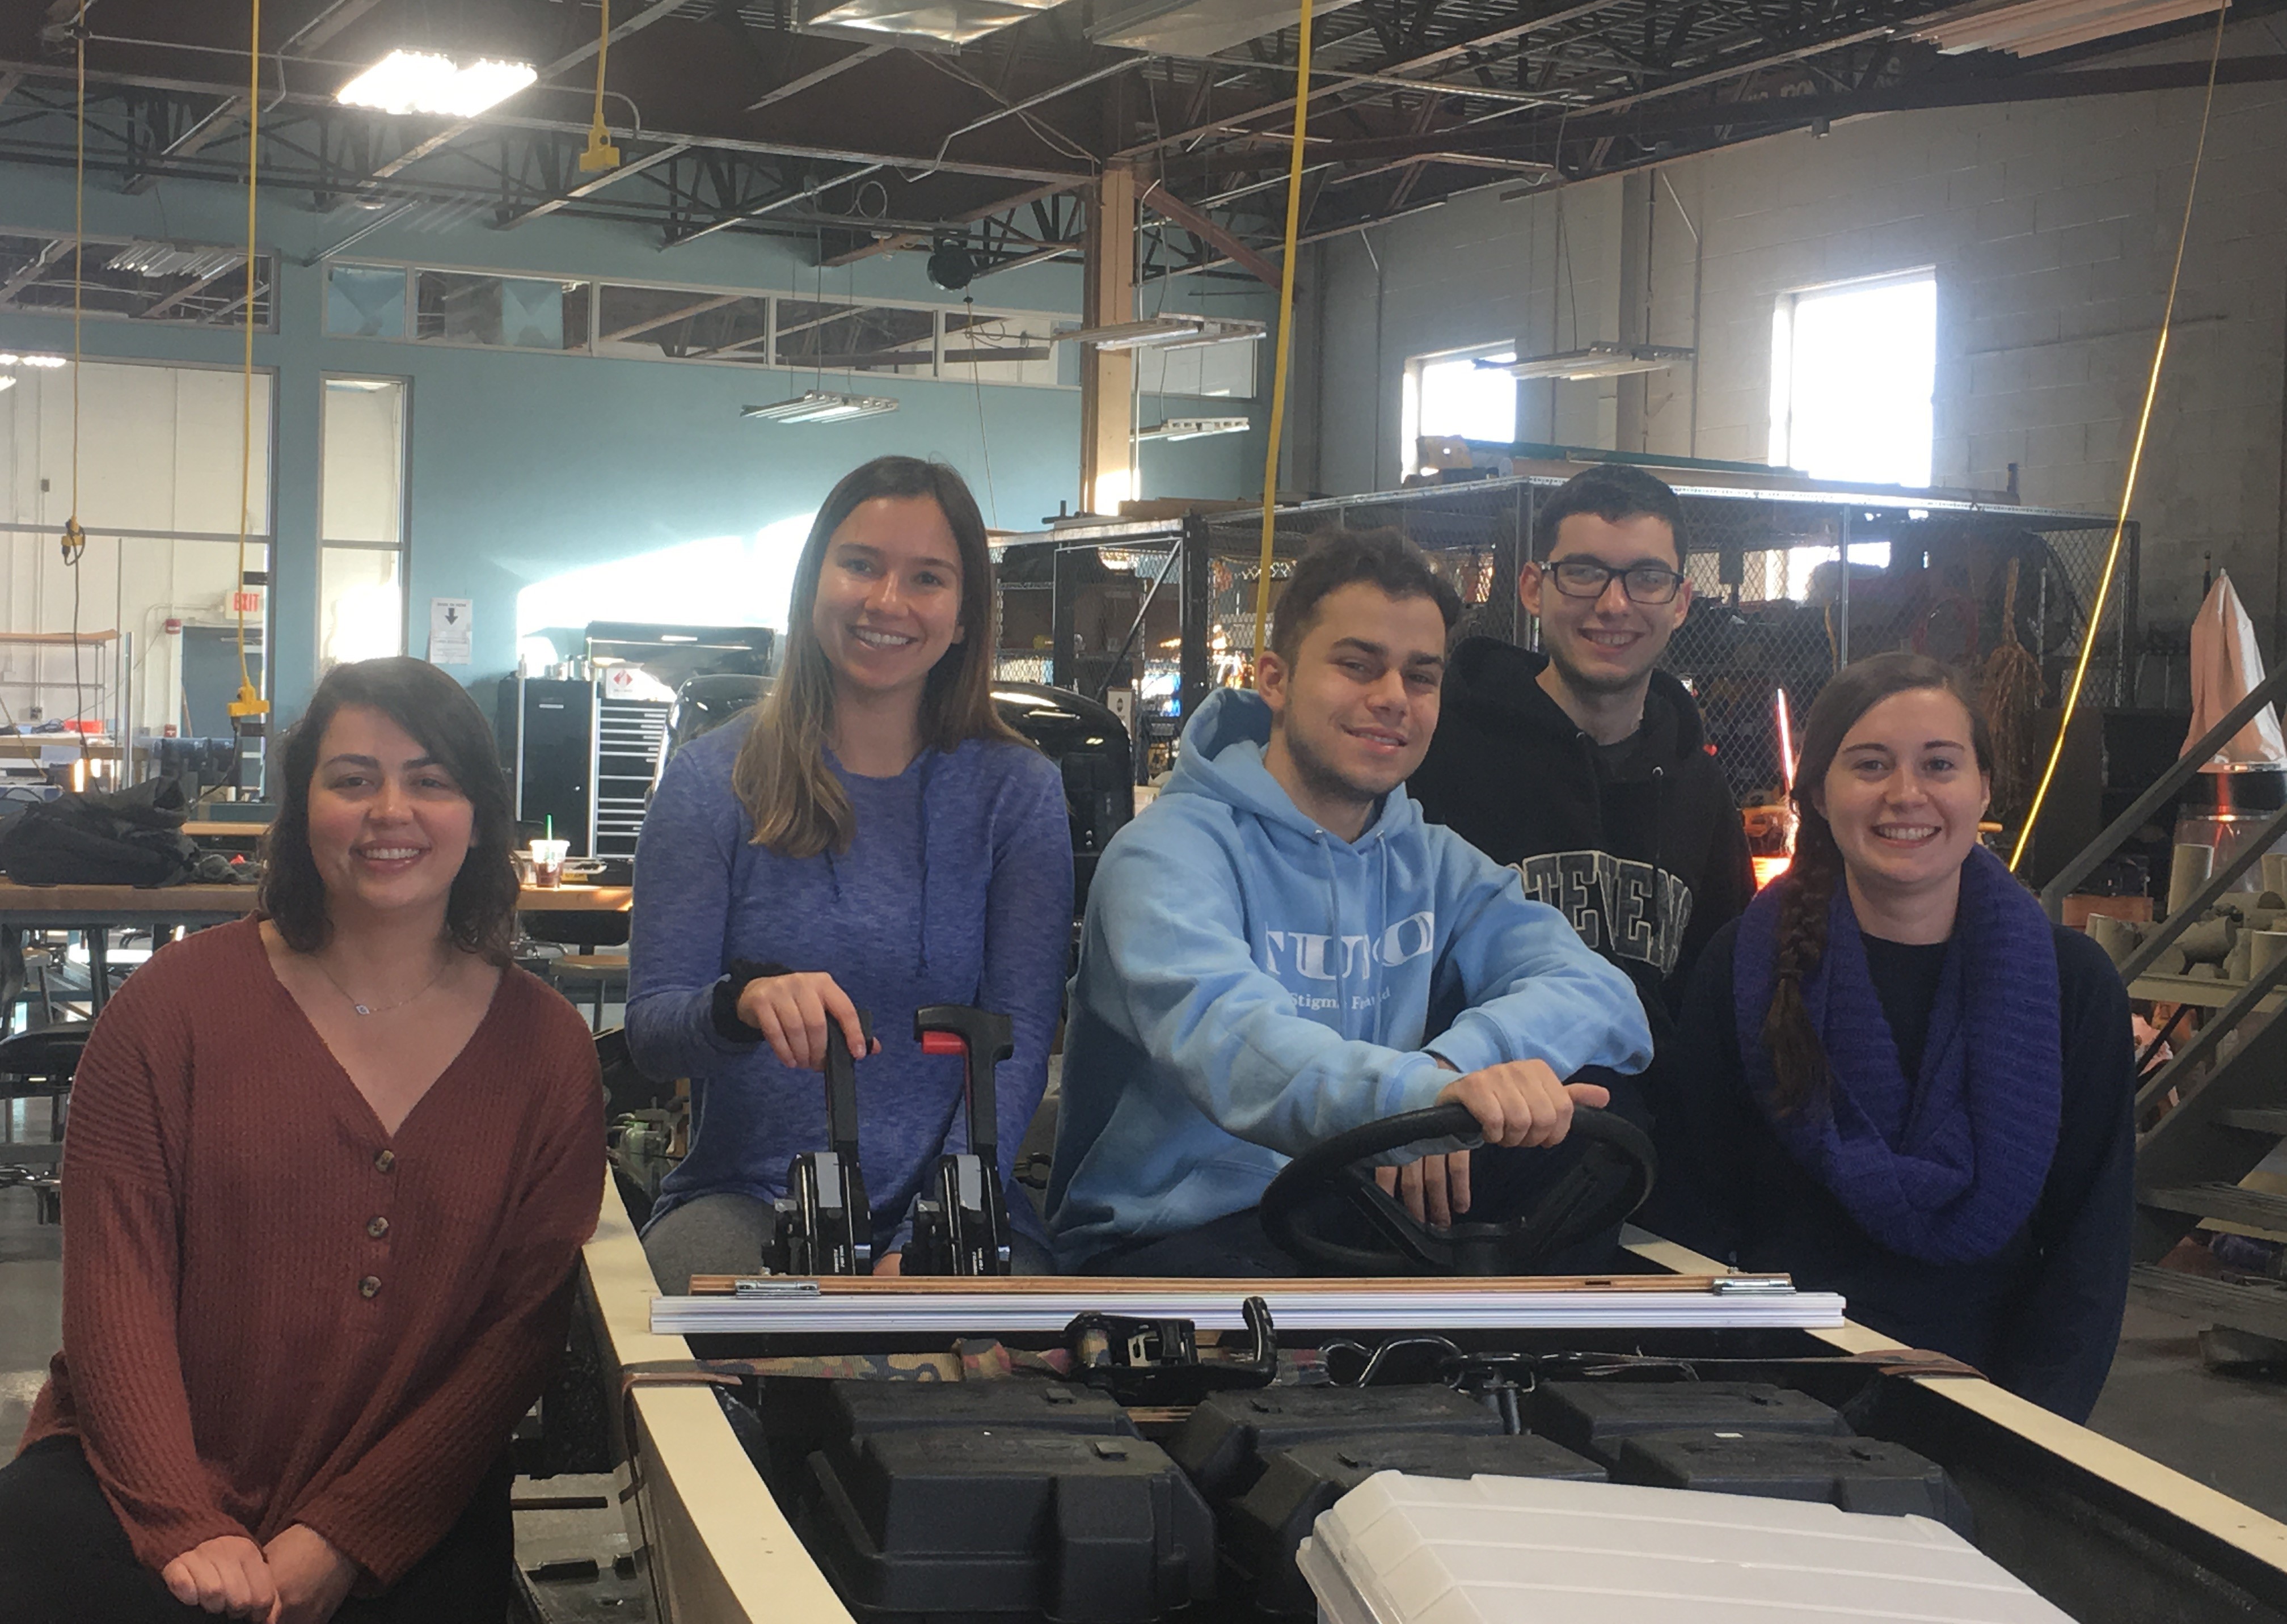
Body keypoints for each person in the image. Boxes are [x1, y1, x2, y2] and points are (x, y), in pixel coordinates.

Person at [0, 657, 605, 1623]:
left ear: (483, 814)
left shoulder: (547, 1053)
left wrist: (348, 1532)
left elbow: (515, 1336)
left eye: (431, 778)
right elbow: (117, 1295)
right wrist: (183, 1520)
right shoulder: (170, 1010)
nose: (389, 809)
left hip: (404, 1507)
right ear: (302, 805)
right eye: (353, 778)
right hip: (133, 1482)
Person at [1047, 527, 1654, 1276]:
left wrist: (1451, 1076)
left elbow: (1602, 995)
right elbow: (1241, 1052)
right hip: (1174, 1236)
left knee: (1596, 1131)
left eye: (1420, 677)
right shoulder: (1166, 856)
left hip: (1361, 1205)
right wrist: (1424, 1106)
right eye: (1357, 665)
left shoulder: (1431, 859)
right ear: (1274, 678)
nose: (1392, 699)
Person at [1647, 652, 2133, 1420]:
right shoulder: (1747, 969)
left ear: (1983, 789)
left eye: (1939, 764)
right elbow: (1694, 1216)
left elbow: (2088, 1253)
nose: (1906, 795)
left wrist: (2033, 1440)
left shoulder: (2074, 988)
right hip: (1770, 1405)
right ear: (1818, 792)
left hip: (1994, 1407)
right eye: (1869, 765)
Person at [627, 457, 1073, 1290]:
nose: (886, 602)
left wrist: (933, 1232)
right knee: (714, 1355)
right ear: (813, 581)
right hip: (750, 1200)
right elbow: (654, 1033)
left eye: (928, 578)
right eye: (861, 564)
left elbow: (1017, 1043)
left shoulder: (1019, 795)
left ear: (968, 614)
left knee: (1002, 1393)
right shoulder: (710, 782)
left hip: (966, 1202)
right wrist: (741, 1004)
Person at [1409, 463, 1753, 1047]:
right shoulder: (1438, 755)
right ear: (1532, 587)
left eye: (1646, 578)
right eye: (1585, 572)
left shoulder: (1699, 788)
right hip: (1462, 1121)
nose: (1614, 604)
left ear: (1680, 601)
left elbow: (1720, 999)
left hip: (1643, 1133)